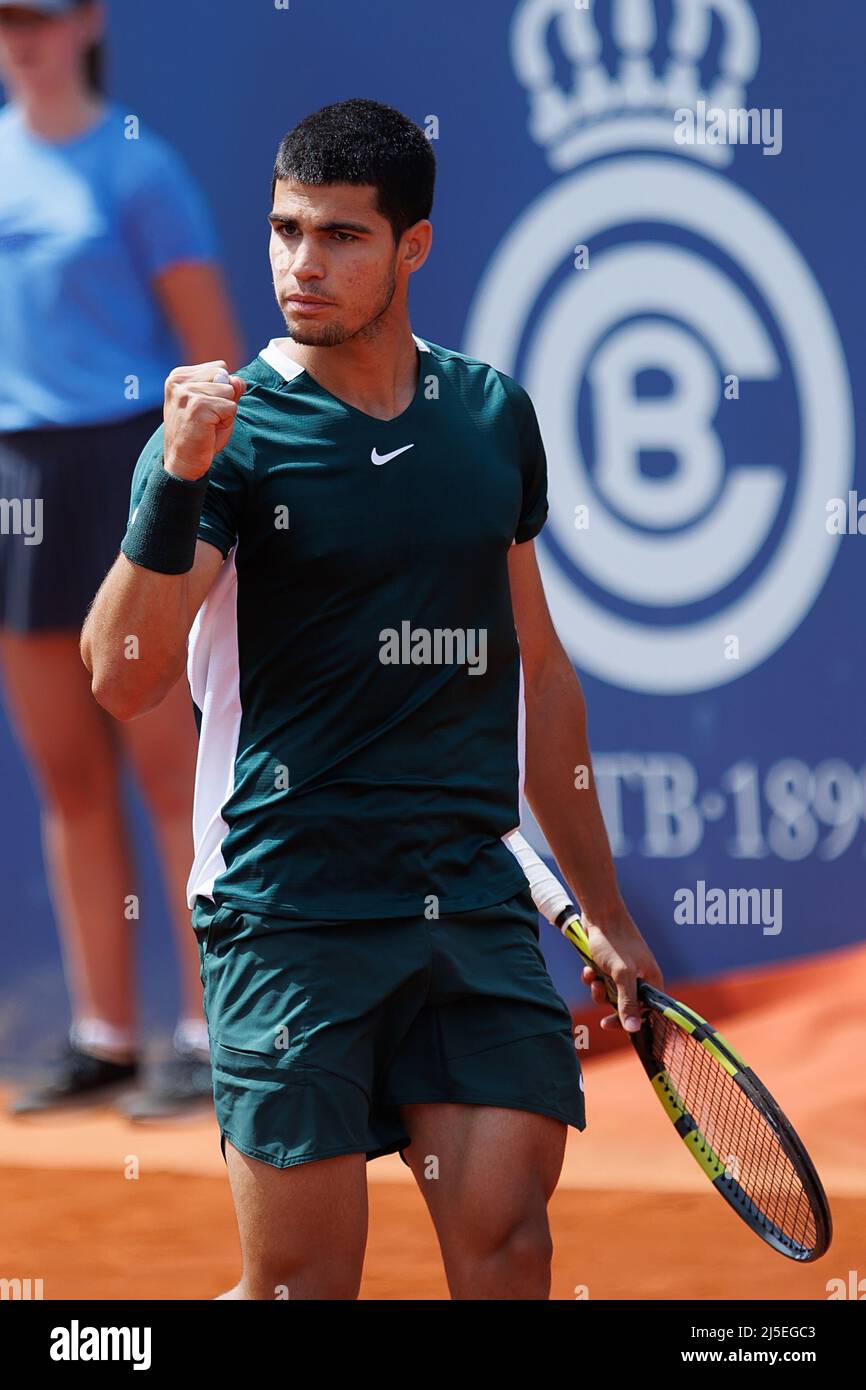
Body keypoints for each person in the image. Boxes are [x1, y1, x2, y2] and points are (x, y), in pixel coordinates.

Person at [82, 97, 663, 1300]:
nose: (303, 265)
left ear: (414, 247)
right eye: (286, 230)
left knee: (506, 1253)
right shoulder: (224, 439)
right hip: (287, 910)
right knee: (301, 1283)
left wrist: (606, 913)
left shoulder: (490, 417)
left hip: (470, 907)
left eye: (342, 236)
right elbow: (122, 676)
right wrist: (175, 480)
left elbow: (541, 672)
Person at [0, 0, 243, 1117]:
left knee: (167, 766)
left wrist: (193, 492)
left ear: (88, 21)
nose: (22, 34)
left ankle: (205, 1031)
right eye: (6, 16)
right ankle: (105, 1032)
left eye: (41, 15)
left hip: (127, 466)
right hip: (17, 482)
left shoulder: (140, 170)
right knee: (64, 769)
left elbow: (212, 351)